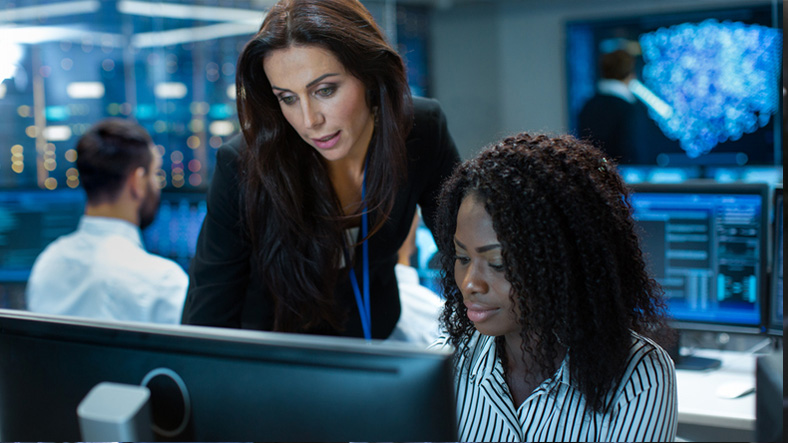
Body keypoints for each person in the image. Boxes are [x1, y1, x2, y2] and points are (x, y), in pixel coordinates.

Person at [181, 0, 460, 339]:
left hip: (377, 339)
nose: (309, 120)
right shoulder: (242, 166)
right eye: (288, 98)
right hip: (277, 356)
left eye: (325, 90)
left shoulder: (420, 129)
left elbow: (465, 247)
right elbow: (206, 318)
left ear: (370, 75)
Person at [431, 132, 677, 442]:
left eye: (498, 263)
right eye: (462, 257)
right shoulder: (442, 368)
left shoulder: (638, 378)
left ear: (562, 264)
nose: (470, 284)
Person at [26, 118, 188, 324]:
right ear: (137, 181)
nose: (157, 185)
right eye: (155, 174)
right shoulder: (163, 282)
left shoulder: (47, 263)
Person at [577, 49, 644, 164]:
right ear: (630, 73)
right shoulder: (626, 108)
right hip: (622, 177)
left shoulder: (588, 105)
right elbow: (629, 151)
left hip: (593, 175)